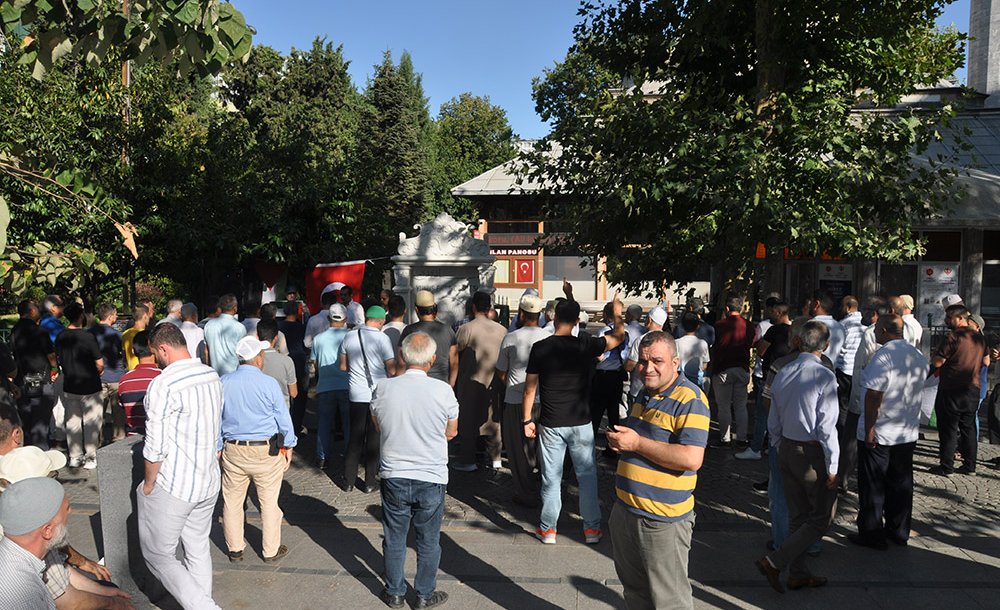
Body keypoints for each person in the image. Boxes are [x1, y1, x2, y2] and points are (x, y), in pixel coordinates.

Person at [607, 331, 709, 610]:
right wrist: (624, 444)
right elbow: (647, 443)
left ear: (675, 362)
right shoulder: (645, 392)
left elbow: (691, 458)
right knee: (635, 593)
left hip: (661, 521)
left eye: (657, 361)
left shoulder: (691, 399)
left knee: (670, 601)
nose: (647, 367)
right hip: (626, 512)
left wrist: (637, 443)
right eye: (642, 360)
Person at [523, 297, 625, 545]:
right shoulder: (586, 344)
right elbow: (619, 337)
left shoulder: (541, 347)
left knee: (551, 478)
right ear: (578, 321)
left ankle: (548, 529)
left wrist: (527, 419)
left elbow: (530, 389)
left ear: (553, 318)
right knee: (587, 477)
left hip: (551, 420)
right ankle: (591, 529)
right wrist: (618, 313)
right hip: (581, 421)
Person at [371, 332, 459, 610]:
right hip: (430, 474)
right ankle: (423, 594)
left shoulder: (383, 388)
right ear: (432, 360)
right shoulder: (443, 390)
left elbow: (378, 426)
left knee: (394, 536)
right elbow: (452, 431)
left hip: (394, 472)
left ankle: (395, 592)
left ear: (402, 356)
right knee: (429, 539)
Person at [139, 323, 223, 610]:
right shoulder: (211, 374)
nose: (156, 360)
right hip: (209, 479)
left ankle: (205, 607)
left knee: (158, 555)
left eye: (155, 354)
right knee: (197, 547)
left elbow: (155, 445)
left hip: (175, 484)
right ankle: (202, 603)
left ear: (163, 348)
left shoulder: (164, 384)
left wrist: (149, 484)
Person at [756, 321, 839, 594]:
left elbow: (773, 416)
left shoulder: (784, 370)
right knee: (821, 518)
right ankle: (775, 562)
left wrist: (779, 445)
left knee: (798, 516)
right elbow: (827, 426)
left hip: (788, 447)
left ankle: (798, 573)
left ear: (800, 342)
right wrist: (833, 465)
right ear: (825, 346)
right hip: (811, 451)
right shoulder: (824, 375)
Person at [0, 446, 132, 609]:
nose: (71, 511)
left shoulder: (23, 535)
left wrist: (104, 592)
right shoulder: (24, 595)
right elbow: (70, 602)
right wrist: (113, 603)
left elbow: (60, 572)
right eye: (52, 476)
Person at [850, 314, 928, 550]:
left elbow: (874, 395)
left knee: (873, 484)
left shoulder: (883, 356)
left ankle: (872, 534)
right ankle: (898, 530)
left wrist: (870, 428)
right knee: (900, 483)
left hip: (882, 431)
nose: (873, 332)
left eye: (875, 328)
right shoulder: (917, 355)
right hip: (906, 431)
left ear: (884, 330)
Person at [219, 336, 297, 564]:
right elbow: (283, 419)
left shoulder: (223, 382)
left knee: (232, 501)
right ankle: (270, 550)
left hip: (233, 449)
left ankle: (235, 548)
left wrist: (217, 447)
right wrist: (288, 445)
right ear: (258, 359)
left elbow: (217, 419)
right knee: (269, 502)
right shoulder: (268, 384)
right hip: (265, 451)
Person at [495, 294, 548, 507]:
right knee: (541, 447)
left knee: (518, 449)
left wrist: (513, 384)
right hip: (543, 400)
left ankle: (525, 492)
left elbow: (500, 372)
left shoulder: (511, 337)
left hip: (516, 401)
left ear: (522, 314)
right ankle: (543, 488)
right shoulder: (547, 336)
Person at [339, 306, 397, 492]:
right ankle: (370, 482)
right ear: (380, 321)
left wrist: (356, 372)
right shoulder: (382, 338)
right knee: (374, 438)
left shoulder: (349, 336)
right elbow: (392, 368)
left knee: (355, 438)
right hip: (377, 394)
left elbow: (342, 366)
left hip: (356, 393)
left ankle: (348, 481)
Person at [929, 304, 989, 476]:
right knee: (968, 428)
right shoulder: (979, 338)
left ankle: (946, 466)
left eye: (949, 317)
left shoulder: (952, 336)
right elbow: (986, 362)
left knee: (948, 429)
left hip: (952, 388)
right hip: (972, 388)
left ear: (961, 318)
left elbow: (938, 363)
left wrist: (935, 356)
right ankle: (970, 466)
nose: (947, 321)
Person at [453, 291, 507, 471]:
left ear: (474, 307)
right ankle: (496, 458)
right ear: (489, 307)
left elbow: (456, 354)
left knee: (468, 421)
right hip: (495, 381)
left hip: (470, 380)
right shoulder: (502, 330)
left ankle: (468, 461)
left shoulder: (466, 329)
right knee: (493, 420)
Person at [0, 477, 72, 610]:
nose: (70, 512)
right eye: (67, 509)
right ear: (47, 531)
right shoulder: (25, 599)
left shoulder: (10, 556)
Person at [738, 301, 792, 461]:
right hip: (788, 379)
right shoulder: (794, 332)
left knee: (762, 414)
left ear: (779, 313)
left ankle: (756, 448)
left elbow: (760, 351)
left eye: (773, 312)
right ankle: (774, 446)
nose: (770, 314)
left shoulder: (774, 330)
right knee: (782, 415)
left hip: (770, 376)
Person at [55, 303, 104, 469]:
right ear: (81, 315)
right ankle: (91, 457)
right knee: (91, 422)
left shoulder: (61, 336)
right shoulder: (88, 336)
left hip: (70, 384)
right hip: (90, 384)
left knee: (72, 422)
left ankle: (74, 456)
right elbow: (100, 363)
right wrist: (97, 371)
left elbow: (58, 360)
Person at [11, 299, 57, 448]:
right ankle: (41, 455)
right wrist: (55, 369)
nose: (38, 310)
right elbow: (51, 355)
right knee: (41, 422)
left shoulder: (15, 330)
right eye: (36, 308)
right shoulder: (39, 331)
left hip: (21, 380)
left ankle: (27, 454)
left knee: (25, 421)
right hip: (41, 379)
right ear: (31, 311)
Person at [711, 295, 755, 446]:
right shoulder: (749, 326)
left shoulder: (719, 325)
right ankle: (742, 438)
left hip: (723, 369)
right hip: (741, 368)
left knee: (723, 406)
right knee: (741, 406)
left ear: (727, 309)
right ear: (742, 308)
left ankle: (725, 438)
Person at [311, 304, 352, 469]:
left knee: (324, 423)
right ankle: (350, 455)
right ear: (346, 319)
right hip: (348, 384)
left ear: (328, 318)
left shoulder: (318, 339)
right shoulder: (351, 336)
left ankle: (322, 457)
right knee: (348, 423)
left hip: (325, 385)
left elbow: (314, 363)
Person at [590, 302, 630, 456]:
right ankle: (613, 448)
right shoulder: (624, 333)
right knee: (613, 414)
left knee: (596, 413)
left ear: (606, 315)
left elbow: (600, 356)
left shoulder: (604, 331)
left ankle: (589, 446)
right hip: (617, 375)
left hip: (602, 375)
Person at [399, 290, 459, 386]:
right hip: (441, 384)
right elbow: (454, 363)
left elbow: (401, 362)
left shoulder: (409, 330)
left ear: (416, 309)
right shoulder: (448, 330)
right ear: (434, 307)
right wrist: (450, 386)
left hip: (415, 384)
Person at [90, 303, 127, 441]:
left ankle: (96, 441)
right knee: (118, 414)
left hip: (97, 378)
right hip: (116, 377)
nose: (117, 317)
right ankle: (118, 439)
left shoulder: (90, 333)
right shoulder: (117, 335)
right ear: (110, 316)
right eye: (116, 314)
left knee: (97, 415)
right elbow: (122, 355)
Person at [116, 331, 161, 436]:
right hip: (157, 436)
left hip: (132, 438)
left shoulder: (124, 381)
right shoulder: (163, 377)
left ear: (133, 351)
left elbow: (123, 410)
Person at [624, 307, 668, 406]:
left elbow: (630, 365)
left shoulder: (641, 340)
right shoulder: (669, 341)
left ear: (649, 320)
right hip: (662, 389)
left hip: (639, 390)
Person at [278, 301, 309, 435]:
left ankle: (283, 425)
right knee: (300, 395)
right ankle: (296, 426)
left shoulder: (278, 326)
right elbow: (306, 345)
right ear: (298, 312)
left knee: (282, 394)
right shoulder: (302, 327)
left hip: (282, 361)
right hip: (298, 362)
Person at [256, 320, 298, 410]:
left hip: (259, 410)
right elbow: (293, 393)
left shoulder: (252, 361)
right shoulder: (287, 361)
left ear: (258, 336)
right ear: (276, 338)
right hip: (281, 410)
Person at [204, 294, 247, 376]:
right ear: (235, 308)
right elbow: (243, 354)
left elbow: (206, 352)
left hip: (215, 374)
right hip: (235, 374)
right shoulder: (240, 327)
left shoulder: (208, 325)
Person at [808, 290, 845, 365]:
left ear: (817, 304)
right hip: (832, 371)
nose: (809, 305)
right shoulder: (840, 327)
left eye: (811, 302)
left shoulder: (809, 325)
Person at [675, 311, 711, 388]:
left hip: (681, 381)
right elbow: (705, 364)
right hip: (697, 381)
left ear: (682, 326)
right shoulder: (703, 343)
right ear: (698, 326)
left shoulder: (676, 343)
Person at [122, 305, 150, 370]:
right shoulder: (146, 335)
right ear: (145, 316)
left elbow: (124, 356)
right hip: (145, 371)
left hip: (131, 371)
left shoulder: (125, 334)